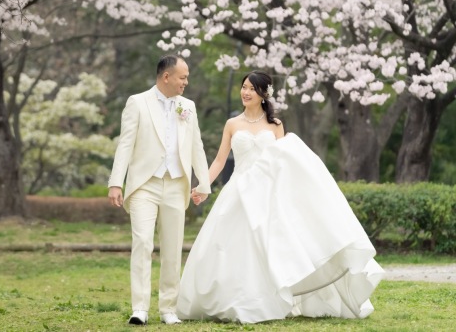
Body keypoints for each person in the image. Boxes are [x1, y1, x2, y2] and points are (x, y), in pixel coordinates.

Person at [177, 71, 384, 323]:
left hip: (268, 193)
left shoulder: (275, 125)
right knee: (232, 245)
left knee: (271, 247)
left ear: (264, 93)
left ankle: (270, 299)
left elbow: (285, 162)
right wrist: (203, 186)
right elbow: (220, 161)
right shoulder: (232, 125)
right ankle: (234, 301)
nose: (245, 92)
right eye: (243, 87)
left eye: (251, 88)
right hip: (238, 191)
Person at [108, 54, 211, 326]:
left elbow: (195, 146)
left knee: (172, 247)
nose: (186, 82)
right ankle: (139, 308)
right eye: (183, 77)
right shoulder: (137, 102)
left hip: (177, 184)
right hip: (144, 184)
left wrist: (204, 182)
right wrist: (116, 182)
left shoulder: (188, 106)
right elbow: (125, 144)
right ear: (167, 76)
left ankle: (168, 309)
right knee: (142, 243)